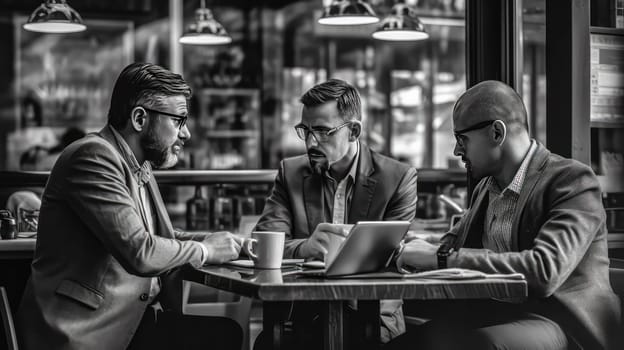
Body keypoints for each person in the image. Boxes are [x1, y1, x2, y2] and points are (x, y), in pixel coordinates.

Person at [16, 62, 243, 350]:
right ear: (139, 119)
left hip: (133, 322)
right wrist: (206, 250)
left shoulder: (138, 164)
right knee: (221, 338)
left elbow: (165, 240)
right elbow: (141, 251)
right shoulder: (93, 156)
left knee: (224, 334)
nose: (185, 135)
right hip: (84, 332)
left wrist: (231, 244)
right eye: (179, 121)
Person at [390, 80, 621, 350]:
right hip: (496, 315)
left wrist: (440, 258)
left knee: (480, 345)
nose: (456, 151)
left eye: (461, 138)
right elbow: (452, 245)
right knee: (409, 342)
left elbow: (544, 271)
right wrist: (397, 245)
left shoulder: (572, 180)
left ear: (496, 133)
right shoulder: (487, 188)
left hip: (563, 323)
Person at [254, 79, 418, 348]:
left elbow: (391, 259)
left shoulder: (398, 178)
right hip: (303, 315)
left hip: (372, 318)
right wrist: (307, 248)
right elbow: (265, 244)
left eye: (321, 131)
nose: (310, 142)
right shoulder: (290, 173)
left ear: (353, 131)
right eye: (304, 130)